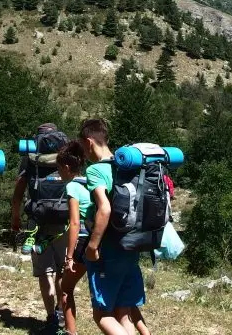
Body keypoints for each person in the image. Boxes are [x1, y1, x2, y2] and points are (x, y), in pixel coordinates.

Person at [80, 119, 151, 335]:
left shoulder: (96, 170)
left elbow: (105, 209)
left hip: (108, 251)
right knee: (123, 312)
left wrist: (92, 246)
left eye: (83, 147)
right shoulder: (129, 167)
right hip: (131, 247)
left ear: (89, 142)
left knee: (102, 315)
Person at [11, 123, 71, 334]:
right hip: (65, 221)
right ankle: (62, 311)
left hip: (37, 221)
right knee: (63, 268)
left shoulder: (31, 159)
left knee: (45, 272)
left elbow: (19, 191)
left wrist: (16, 217)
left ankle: (51, 317)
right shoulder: (66, 157)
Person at [56, 140, 91, 335]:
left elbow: (75, 224)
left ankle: (71, 332)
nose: (58, 174)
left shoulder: (72, 188)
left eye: (59, 169)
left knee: (65, 288)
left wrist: (69, 257)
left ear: (67, 168)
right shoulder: (89, 182)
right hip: (99, 241)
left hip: (83, 243)